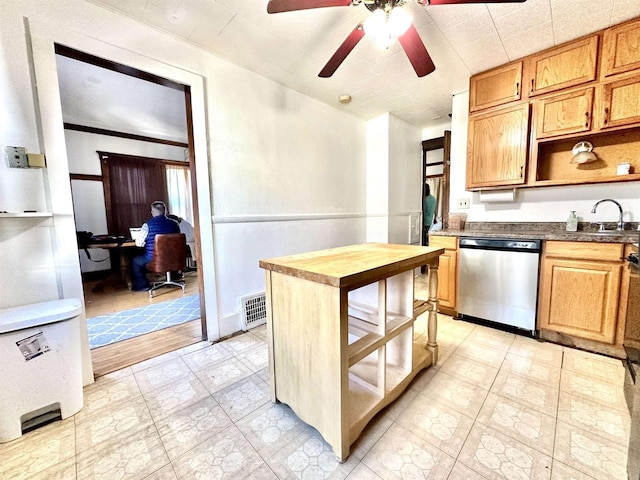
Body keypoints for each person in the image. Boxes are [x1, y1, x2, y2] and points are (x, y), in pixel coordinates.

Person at [131, 201, 180, 291]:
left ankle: (143, 285)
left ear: (152, 212)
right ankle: (174, 278)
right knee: (168, 254)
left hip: (154, 258)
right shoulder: (174, 224)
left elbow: (139, 244)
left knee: (136, 262)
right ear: (165, 212)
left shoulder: (147, 225)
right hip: (173, 258)